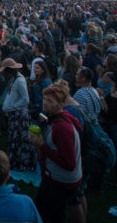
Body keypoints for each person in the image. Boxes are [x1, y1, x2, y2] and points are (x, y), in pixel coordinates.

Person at [29, 85, 83, 223]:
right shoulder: (61, 119)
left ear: (61, 104)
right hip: (64, 178)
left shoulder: (62, 128)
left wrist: (42, 146)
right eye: (45, 99)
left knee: (41, 214)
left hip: (60, 180)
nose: (45, 103)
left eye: (50, 101)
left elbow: (69, 163)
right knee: (58, 215)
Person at [1, 57, 37, 173]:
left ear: (9, 71)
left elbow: (25, 99)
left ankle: (21, 162)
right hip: (15, 114)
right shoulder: (14, 79)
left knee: (20, 139)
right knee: (14, 138)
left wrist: (11, 107)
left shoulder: (20, 81)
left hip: (20, 116)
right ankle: (14, 159)